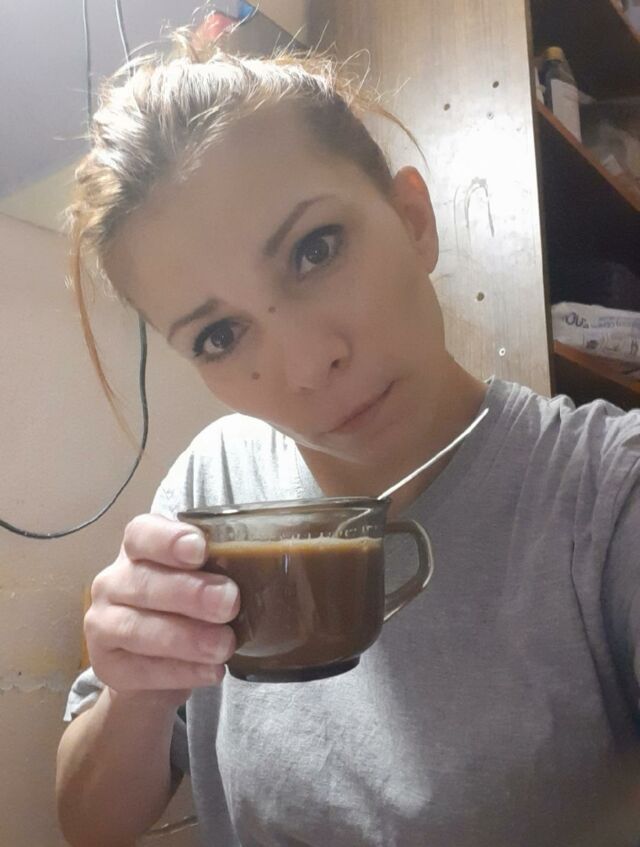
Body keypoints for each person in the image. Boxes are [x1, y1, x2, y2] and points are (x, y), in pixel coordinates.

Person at [55, 28, 640, 847]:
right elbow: (89, 823)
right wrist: (135, 693)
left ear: (413, 220)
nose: (306, 366)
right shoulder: (209, 491)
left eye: (314, 250)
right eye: (219, 335)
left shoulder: (603, 494)